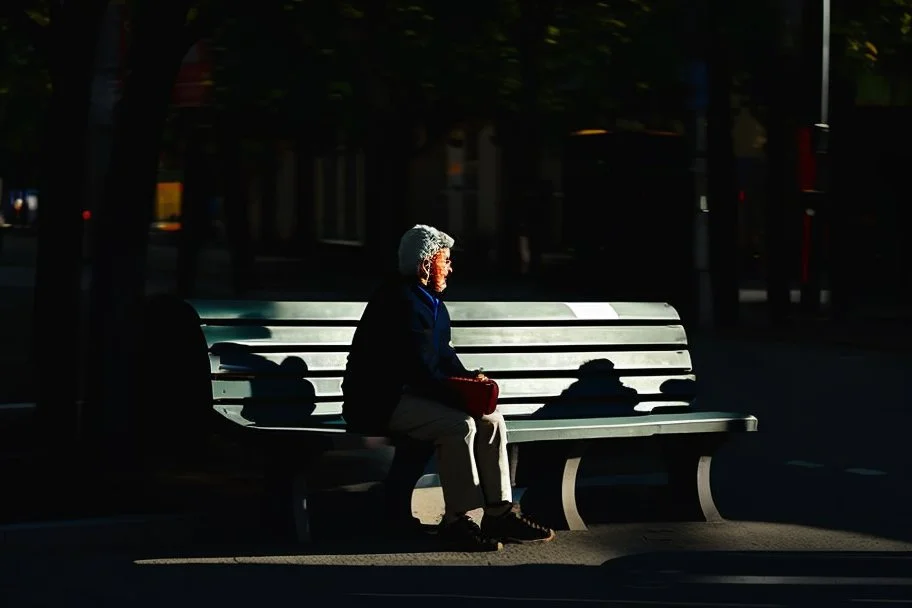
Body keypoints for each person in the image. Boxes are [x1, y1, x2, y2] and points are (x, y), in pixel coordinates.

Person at [342, 224, 555, 551]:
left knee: (492, 419)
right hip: (381, 401)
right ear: (426, 264)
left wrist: (471, 382)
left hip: (413, 395)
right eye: (446, 260)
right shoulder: (401, 301)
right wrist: (461, 397)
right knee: (459, 425)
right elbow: (420, 371)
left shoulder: (429, 300)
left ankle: (498, 512)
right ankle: (458, 519)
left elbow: (443, 357)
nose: (451, 267)